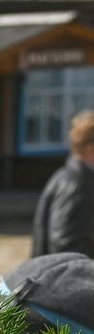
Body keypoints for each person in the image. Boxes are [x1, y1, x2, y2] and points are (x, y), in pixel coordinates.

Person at [30, 109, 94, 259]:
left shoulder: (73, 178)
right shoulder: (77, 185)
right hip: (70, 281)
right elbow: (66, 247)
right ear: (90, 148)